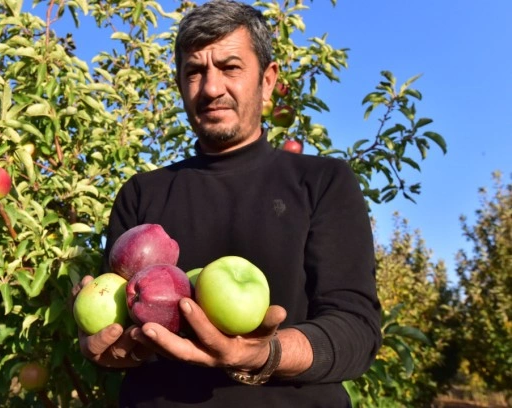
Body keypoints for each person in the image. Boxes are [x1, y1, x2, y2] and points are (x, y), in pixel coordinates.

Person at [73, 0, 382, 406]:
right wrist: (106, 347)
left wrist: (262, 354)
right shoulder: (141, 194)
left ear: (268, 80)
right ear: (180, 83)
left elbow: (356, 330)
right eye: (195, 72)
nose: (212, 87)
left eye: (230, 67)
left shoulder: (323, 182)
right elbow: (121, 332)